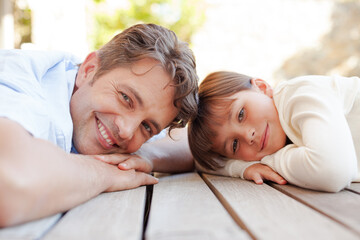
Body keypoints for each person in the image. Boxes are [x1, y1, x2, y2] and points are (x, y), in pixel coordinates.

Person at [0, 23, 198, 227]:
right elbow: (9, 187)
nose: (127, 130)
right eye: (125, 98)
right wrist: (104, 173)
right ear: (89, 69)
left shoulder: (94, 99)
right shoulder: (19, 85)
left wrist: (143, 157)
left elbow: (190, 142)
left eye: (147, 127)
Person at [188, 71, 360, 193]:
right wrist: (242, 168)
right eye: (234, 144)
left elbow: (332, 171)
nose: (248, 136)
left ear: (262, 87)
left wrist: (268, 162)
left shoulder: (300, 94)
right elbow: (205, 163)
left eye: (241, 114)